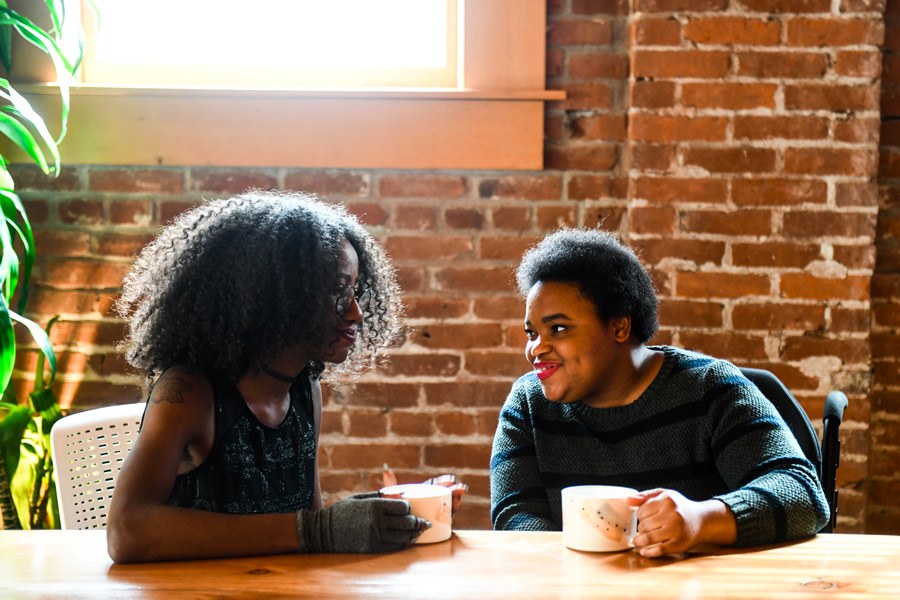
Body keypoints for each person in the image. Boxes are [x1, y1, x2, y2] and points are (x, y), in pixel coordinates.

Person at [108, 191, 449, 563]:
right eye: (337, 291)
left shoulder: (305, 391)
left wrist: (389, 513)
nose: (356, 313)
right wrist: (318, 529)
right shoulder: (190, 393)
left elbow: (307, 531)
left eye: (355, 291)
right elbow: (127, 531)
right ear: (276, 295)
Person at [490, 228, 829, 558]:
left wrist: (701, 520)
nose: (536, 348)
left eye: (558, 328)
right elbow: (514, 515)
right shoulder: (527, 403)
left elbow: (804, 495)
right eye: (531, 332)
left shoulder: (709, 388)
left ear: (619, 326)